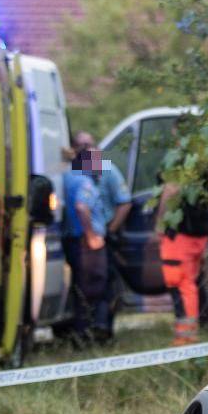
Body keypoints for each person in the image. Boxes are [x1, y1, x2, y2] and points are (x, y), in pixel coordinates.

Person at [153, 167, 208, 345]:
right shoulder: (206, 162)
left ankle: (186, 338)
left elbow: (170, 190)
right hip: (199, 235)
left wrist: (160, 225)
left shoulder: (180, 159)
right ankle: (203, 327)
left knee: (181, 285)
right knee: (194, 284)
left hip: (179, 237)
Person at [73, 131, 130, 339]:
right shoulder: (74, 171)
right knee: (85, 286)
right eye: (82, 146)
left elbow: (125, 202)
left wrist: (111, 230)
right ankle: (85, 330)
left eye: (90, 144)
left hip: (101, 235)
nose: (88, 149)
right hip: (79, 237)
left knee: (105, 284)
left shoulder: (105, 168)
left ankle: (103, 328)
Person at [60, 145, 109, 339]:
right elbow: (82, 207)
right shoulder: (85, 183)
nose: (100, 164)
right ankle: (89, 333)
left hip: (71, 240)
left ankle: (80, 331)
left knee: (80, 287)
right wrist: (91, 236)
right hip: (88, 244)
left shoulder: (67, 177)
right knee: (94, 287)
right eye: (97, 160)